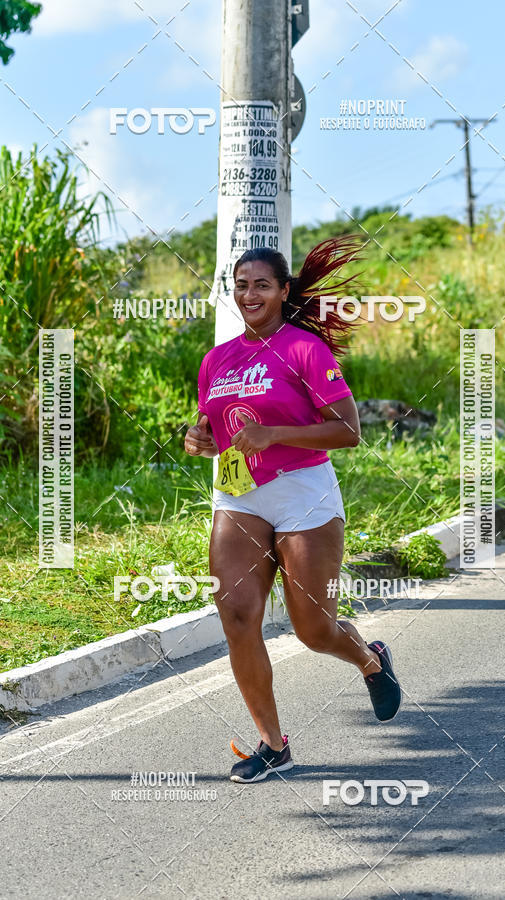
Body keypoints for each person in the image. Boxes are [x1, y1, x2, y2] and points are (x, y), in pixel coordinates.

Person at [184, 236, 402, 783]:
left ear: (283, 291)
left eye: (261, 285)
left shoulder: (304, 349)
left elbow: (348, 430)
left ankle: (370, 658)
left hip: (304, 492)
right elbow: (218, 424)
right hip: (239, 496)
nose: (250, 294)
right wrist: (200, 438)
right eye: (241, 286)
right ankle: (270, 744)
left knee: (313, 630)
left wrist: (273, 434)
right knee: (237, 617)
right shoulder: (217, 359)